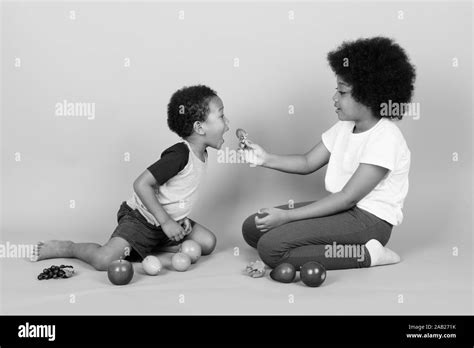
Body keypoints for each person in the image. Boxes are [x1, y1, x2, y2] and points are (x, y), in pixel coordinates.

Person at [242, 37, 416, 270]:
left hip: (369, 221)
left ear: (368, 96)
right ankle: (302, 247)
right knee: (253, 228)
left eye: (342, 92)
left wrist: (288, 218)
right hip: (342, 210)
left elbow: (348, 197)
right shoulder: (345, 127)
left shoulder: (386, 138)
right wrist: (264, 158)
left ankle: (368, 254)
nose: (334, 98)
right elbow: (307, 162)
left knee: (270, 248)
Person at [31, 85, 229, 270]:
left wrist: (179, 218)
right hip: (142, 219)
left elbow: (177, 192)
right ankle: (68, 248)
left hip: (168, 222)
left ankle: (149, 247)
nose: (227, 124)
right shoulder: (179, 155)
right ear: (200, 127)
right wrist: (167, 222)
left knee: (208, 242)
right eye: (221, 116)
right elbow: (141, 184)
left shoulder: (201, 153)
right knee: (103, 260)